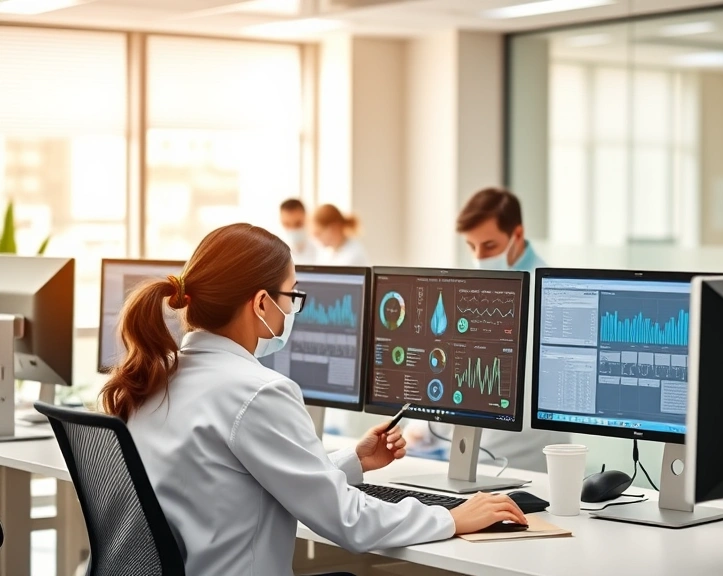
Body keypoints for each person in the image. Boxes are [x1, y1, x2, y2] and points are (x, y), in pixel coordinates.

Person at [99, 223, 526, 575]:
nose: (294, 310)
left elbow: (247, 481)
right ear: (262, 303)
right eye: (293, 296)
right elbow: (348, 522)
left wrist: (353, 460)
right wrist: (452, 517)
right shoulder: (258, 391)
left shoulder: (156, 376)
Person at [409, 188, 570, 472]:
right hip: (463, 451)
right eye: (472, 247)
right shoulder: (478, 285)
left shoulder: (550, 295)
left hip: (514, 462)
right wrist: (418, 425)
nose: (480, 256)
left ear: (517, 235)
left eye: (490, 246)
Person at [278, 198, 318, 264]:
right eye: (287, 224)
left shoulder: (323, 251)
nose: (292, 230)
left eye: (298, 224)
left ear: (306, 219)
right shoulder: (277, 254)